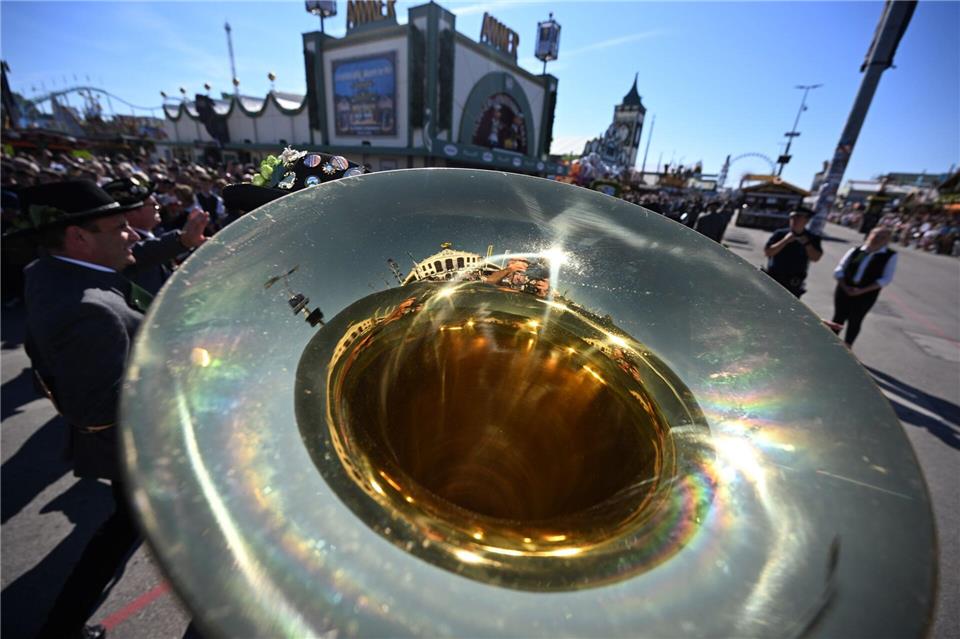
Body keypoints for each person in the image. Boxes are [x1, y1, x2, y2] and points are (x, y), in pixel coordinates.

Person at [17, 180, 147, 639]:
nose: (131, 233)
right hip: (140, 450)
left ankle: (61, 627)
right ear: (78, 237)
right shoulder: (88, 309)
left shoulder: (51, 271)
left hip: (123, 452)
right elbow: (98, 406)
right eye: (119, 226)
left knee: (116, 535)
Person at [104, 176, 209, 294]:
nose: (157, 207)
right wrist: (183, 240)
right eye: (152, 205)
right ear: (130, 212)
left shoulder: (156, 233)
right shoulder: (124, 245)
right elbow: (142, 252)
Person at [831, 226, 898, 347]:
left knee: (855, 320)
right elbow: (840, 269)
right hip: (845, 289)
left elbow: (885, 279)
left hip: (866, 293)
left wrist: (862, 291)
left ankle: (847, 346)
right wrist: (845, 286)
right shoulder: (857, 251)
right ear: (869, 235)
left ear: (887, 241)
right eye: (875, 235)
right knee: (838, 318)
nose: (877, 239)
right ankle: (829, 344)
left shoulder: (889, 255)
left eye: (882, 237)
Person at [762, 208, 823, 297]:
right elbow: (768, 253)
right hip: (774, 280)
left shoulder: (812, 238)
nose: (794, 220)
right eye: (792, 217)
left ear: (806, 220)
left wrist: (807, 244)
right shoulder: (780, 234)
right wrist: (785, 241)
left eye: (798, 217)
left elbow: (816, 258)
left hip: (793, 283)